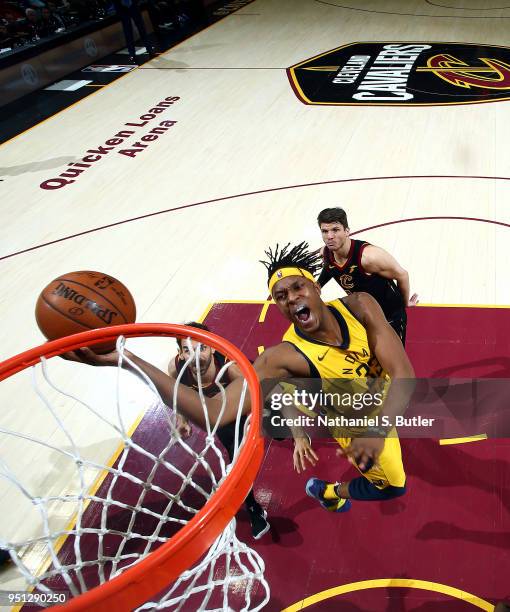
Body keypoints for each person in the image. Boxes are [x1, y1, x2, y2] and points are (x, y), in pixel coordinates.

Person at [71, 242, 415, 516]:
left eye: (297, 287)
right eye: (281, 296)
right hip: (355, 424)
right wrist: (127, 360)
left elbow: (404, 373)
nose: (291, 298)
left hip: (377, 413)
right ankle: (326, 491)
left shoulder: (361, 305)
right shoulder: (280, 358)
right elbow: (215, 412)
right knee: (393, 486)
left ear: (315, 285)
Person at [168, 321, 270, 540]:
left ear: (212, 348)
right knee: (237, 464)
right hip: (223, 417)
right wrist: (181, 419)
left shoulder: (230, 368)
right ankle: (253, 508)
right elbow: (180, 395)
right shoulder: (176, 368)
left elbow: (257, 394)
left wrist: (261, 418)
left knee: (275, 422)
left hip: (245, 401)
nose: (195, 355)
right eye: (187, 350)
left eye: (201, 348)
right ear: (180, 353)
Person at [316, 207, 418, 345]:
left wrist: (405, 303)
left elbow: (402, 275)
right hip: (364, 314)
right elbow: (329, 267)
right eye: (325, 231)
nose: (329, 236)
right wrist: (319, 284)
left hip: (389, 316)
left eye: (335, 230)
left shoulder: (368, 257)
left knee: (394, 363)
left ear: (347, 231)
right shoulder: (327, 253)